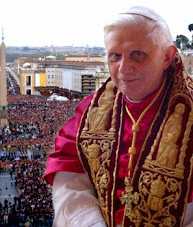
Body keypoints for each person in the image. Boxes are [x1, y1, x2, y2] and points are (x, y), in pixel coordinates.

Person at [44, 6, 193, 227]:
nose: (123, 68)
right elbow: (70, 172)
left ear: (168, 57)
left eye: (138, 55)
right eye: (115, 56)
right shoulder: (92, 111)